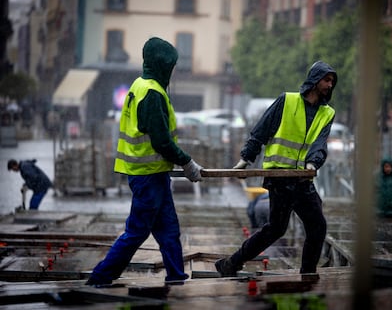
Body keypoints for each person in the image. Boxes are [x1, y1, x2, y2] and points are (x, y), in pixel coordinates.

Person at [86, 37, 203, 287]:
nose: (172, 72)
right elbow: (161, 142)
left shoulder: (141, 85)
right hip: (147, 176)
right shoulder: (152, 94)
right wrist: (187, 162)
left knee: (169, 230)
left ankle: (176, 278)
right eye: (170, 67)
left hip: (153, 175)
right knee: (136, 232)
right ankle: (100, 278)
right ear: (163, 66)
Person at [215, 61, 337, 279]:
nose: (330, 85)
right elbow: (262, 129)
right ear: (315, 79)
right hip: (279, 177)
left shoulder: (327, 113)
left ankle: (308, 275)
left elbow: (320, 143)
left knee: (317, 226)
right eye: (326, 80)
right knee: (276, 229)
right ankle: (231, 263)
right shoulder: (287, 101)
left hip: (302, 179)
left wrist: (313, 163)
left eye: (332, 82)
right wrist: (246, 158)